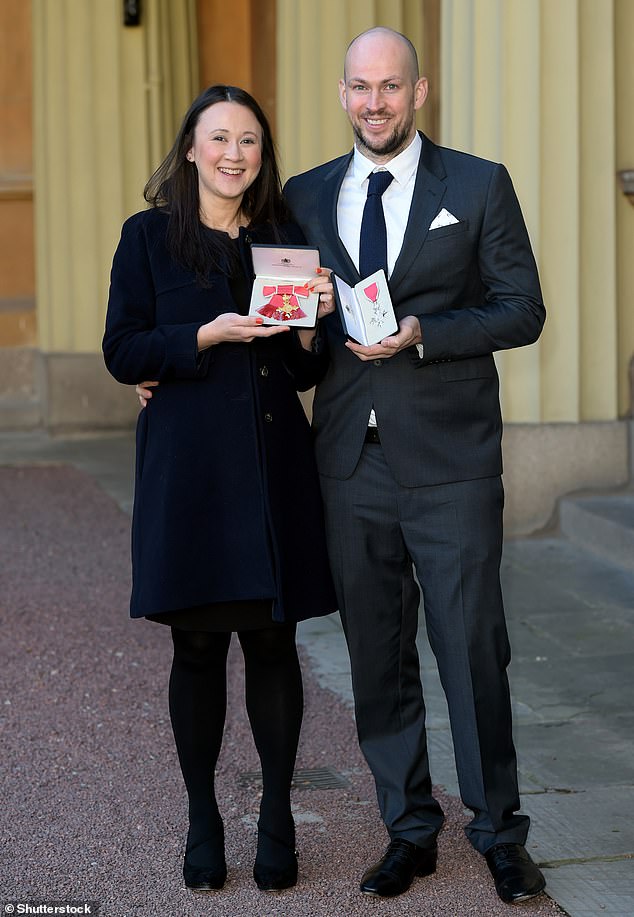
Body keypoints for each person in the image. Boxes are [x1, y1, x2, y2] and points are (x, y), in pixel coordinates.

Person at [281, 27, 547, 905]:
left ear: (419, 92)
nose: (375, 103)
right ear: (344, 93)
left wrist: (426, 333)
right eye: (360, 86)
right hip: (350, 459)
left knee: (473, 646)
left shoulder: (477, 184)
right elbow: (294, 333)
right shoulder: (306, 194)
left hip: (452, 460)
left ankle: (501, 832)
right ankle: (409, 828)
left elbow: (522, 310)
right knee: (377, 651)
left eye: (390, 86)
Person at [103, 84, 338, 895]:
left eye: (250, 141)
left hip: (275, 469)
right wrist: (201, 334)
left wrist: (312, 324)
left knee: (274, 645)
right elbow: (122, 348)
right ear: (193, 148)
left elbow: (307, 367)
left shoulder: (282, 238)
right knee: (196, 646)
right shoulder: (148, 239)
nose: (235, 154)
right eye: (220, 138)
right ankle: (203, 816)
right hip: (191, 477)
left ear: (260, 156)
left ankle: (277, 817)